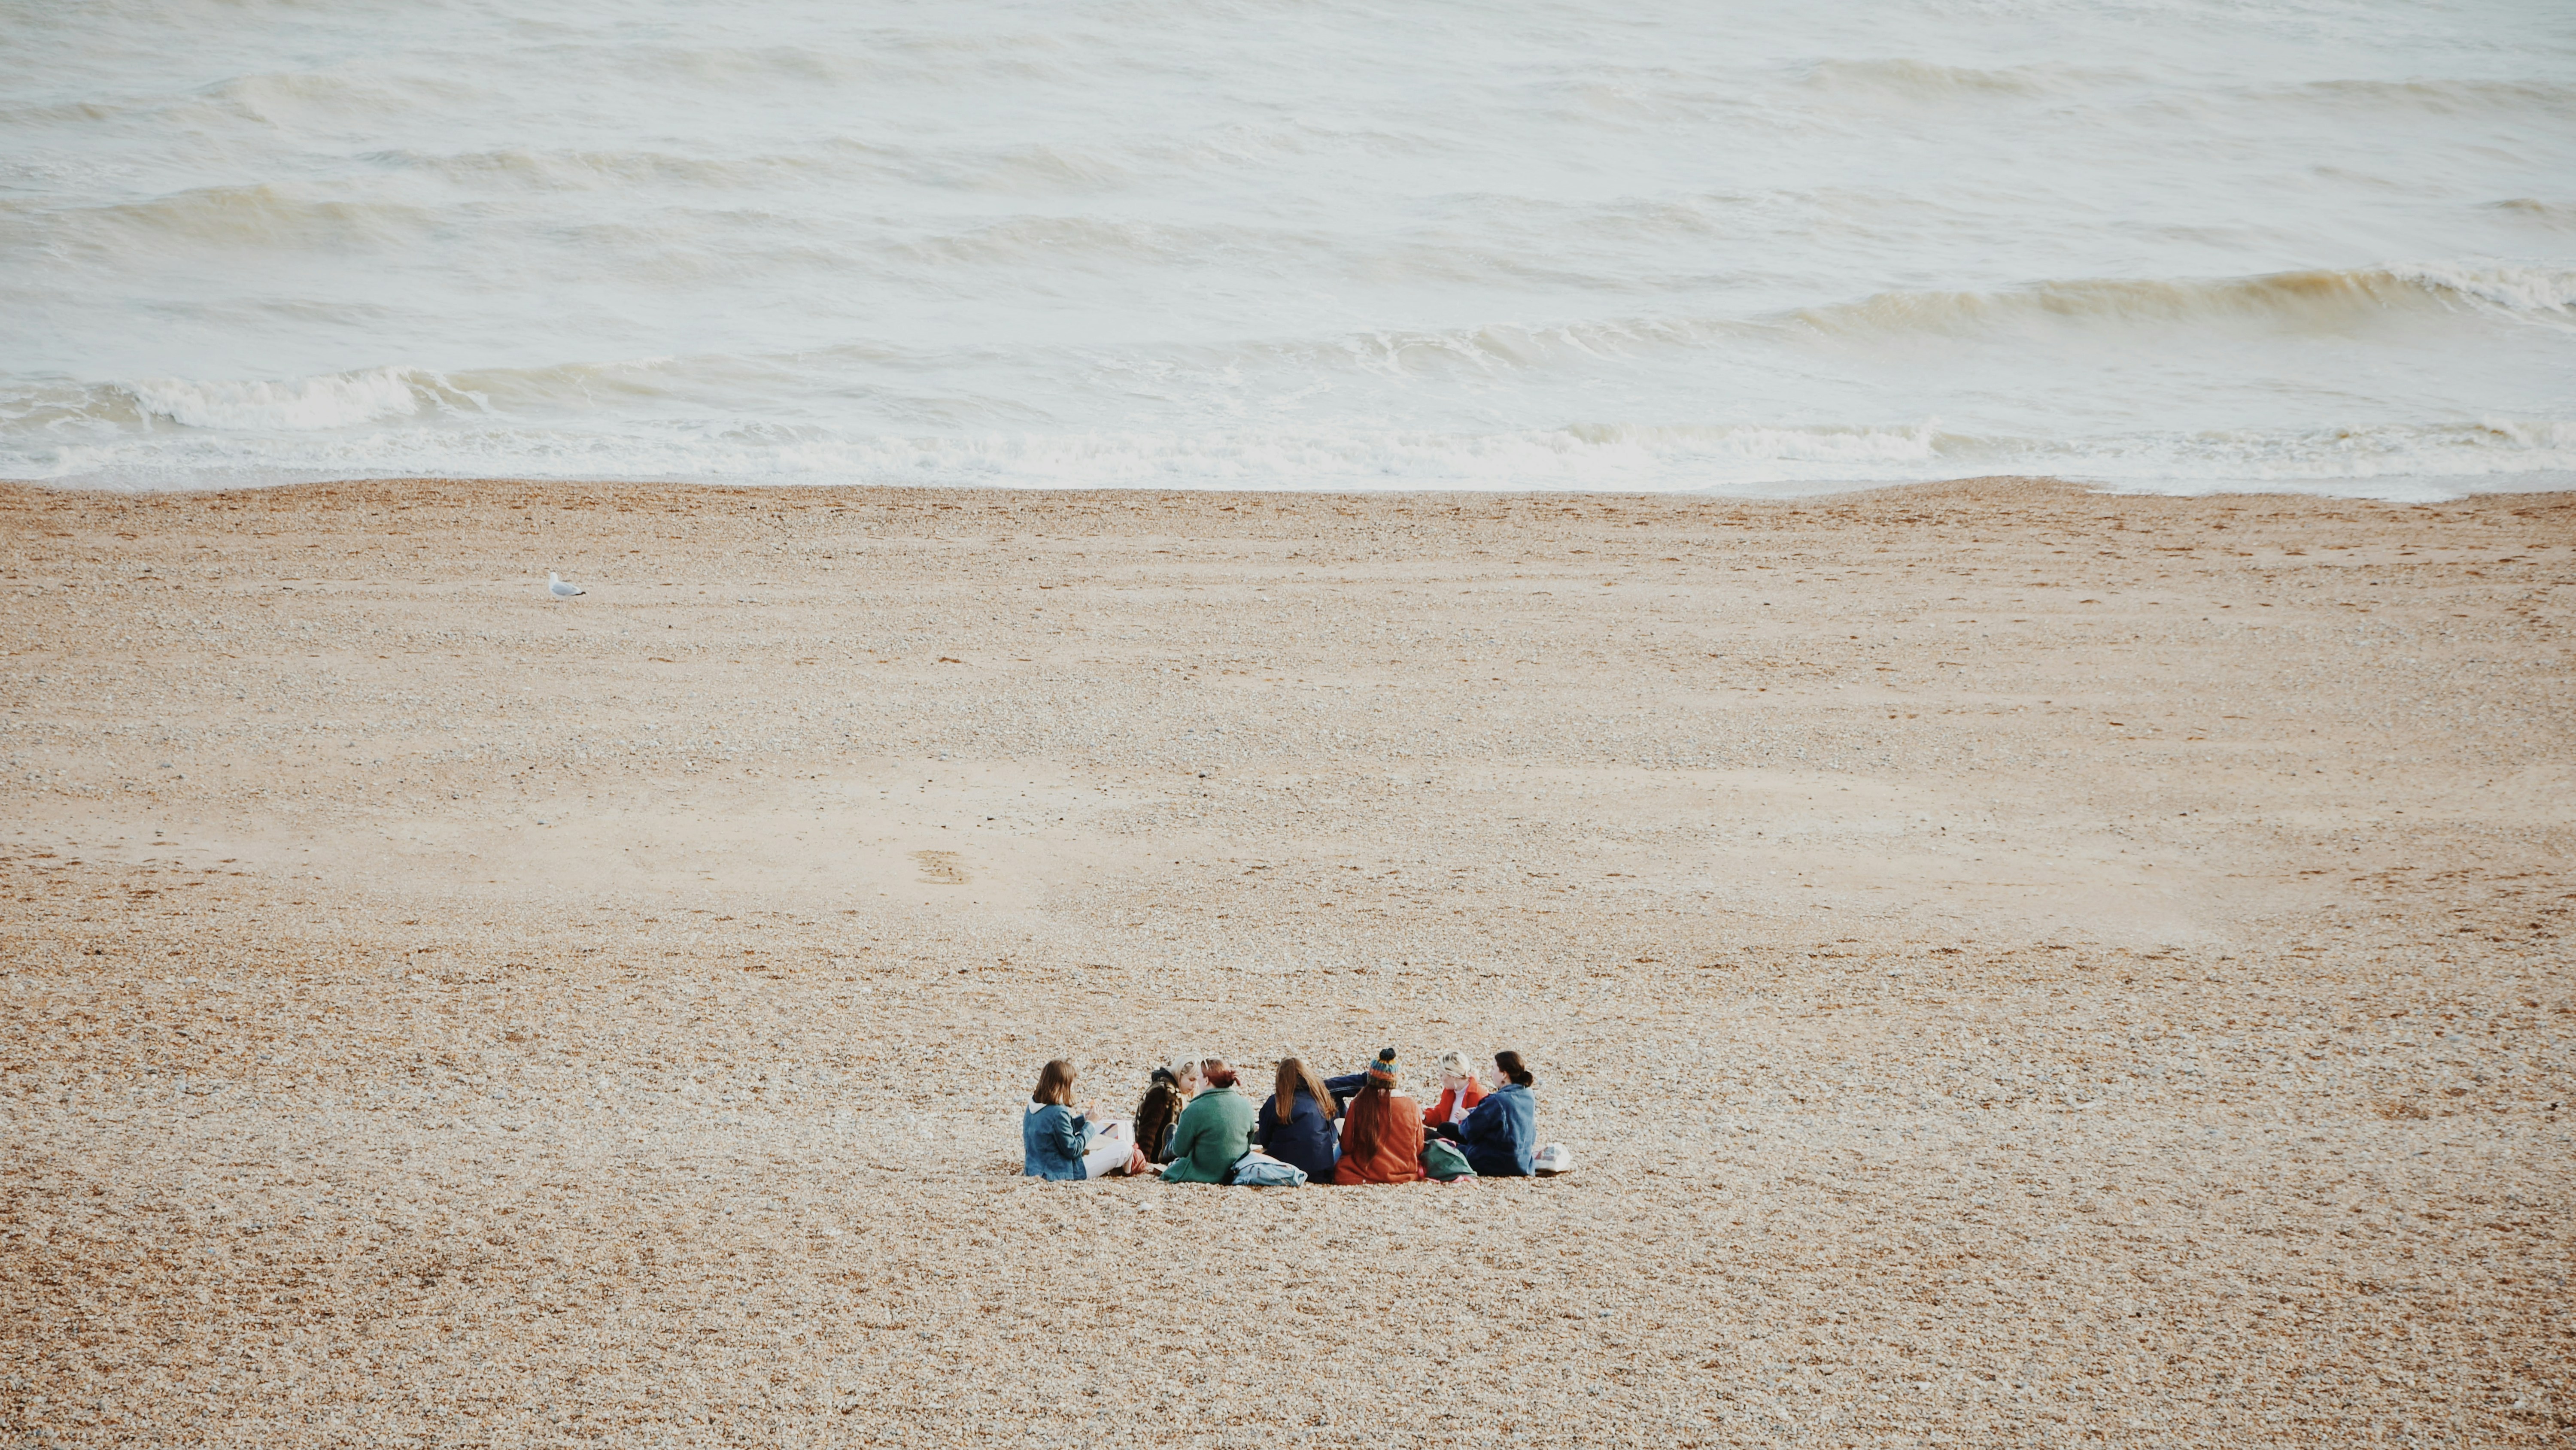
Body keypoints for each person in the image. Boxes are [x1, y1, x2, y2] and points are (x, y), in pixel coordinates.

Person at [1022, 1059, 1140, 1181]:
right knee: (1125, 1148)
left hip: (1035, 1169)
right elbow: (1073, 1150)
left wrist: (1085, 1119)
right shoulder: (1058, 1112)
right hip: (1062, 1171)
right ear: (1061, 1086)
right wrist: (1091, 1124)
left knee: (1099, 1136)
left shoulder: (1033, 1107)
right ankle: (1126, 1173)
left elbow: (1060, 1131)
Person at [1331, 1049, 1425, 1185]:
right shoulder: (1411, 1106)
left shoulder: (1359, 1103)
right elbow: (1419, 1147)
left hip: (1362, 1173)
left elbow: (1347, 1146)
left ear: (1371, 1079)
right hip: (1403, 1173)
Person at [1159, 1056, 1255, 1184]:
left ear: (1206, 1080)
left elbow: (1180, 1150)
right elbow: (1249, 1141)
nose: (1197, 1081)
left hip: (1203, 1173)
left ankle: (1168, 1144)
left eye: (1199, 1076)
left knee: (1176, 1157)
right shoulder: (1245, 1105)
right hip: (1235, 1172)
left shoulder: (1194, 1109)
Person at [1450, 1050, 1538, 1178]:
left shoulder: (1500, 1101)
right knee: (1449, 1129)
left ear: (1504, 1074)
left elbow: (1469, 1131)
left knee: (1441, 1138)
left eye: (1493, 1069)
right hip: (1524, 1162)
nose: (1491, 1073)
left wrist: (1466, 1119)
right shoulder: (1527, 1094)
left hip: (1496, 1161)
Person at [1255, 1057, 1339, 1183]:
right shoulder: (1322, 1099)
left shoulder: (1276, 1102)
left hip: (1285, 1169)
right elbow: (1331, 1138)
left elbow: (1265, 1139)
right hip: (1321, 1172)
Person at [1132, 1055, 1199, 1164]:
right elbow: (1148, 1133)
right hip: (1155, 1160)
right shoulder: (1162, 1093)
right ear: (1179, 1074)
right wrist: (1144, 1163)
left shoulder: (1176, 1092)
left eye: (1197, 1081)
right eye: (1191, 1080)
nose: (1194, 1086)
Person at [1421, 1048, 1487, 1129]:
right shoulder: (1450, 1090)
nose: (1440, 1079)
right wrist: (1424, 1116)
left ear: (1453, 1076)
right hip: (1449, 1136)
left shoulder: (1478, 1096)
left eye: (1442, 1075)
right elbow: (1441, 1115)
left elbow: (1481, 1129)